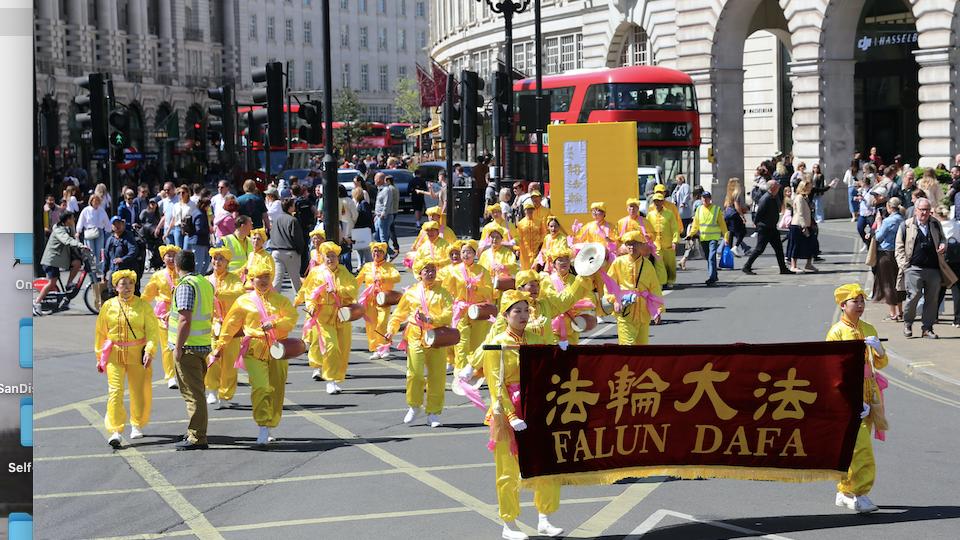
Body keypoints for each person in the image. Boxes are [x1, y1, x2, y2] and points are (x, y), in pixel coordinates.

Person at [477, 289, 563, 539]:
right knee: (507, 470)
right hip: (507, 413)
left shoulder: (536, 342)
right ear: (506, 315)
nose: (524, 315)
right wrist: (512, 416)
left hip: (536, 409)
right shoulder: (497, 345)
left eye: (526, 310)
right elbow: (496, 384)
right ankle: (509, 524)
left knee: (546, 465)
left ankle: (544, 518)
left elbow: (550, 368)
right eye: (517, 311)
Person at [212, 258, 298, 446]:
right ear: (252, 279)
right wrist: (220, 346)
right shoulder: (243, 301)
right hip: (253, 350)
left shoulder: (281, 300)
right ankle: (263, 426)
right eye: (259, 277)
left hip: (278, 350)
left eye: (267, 276)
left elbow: (292, 318)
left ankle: (271, 422)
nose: (264, 280)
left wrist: (275, 323)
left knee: (277, 388)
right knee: (260, 387)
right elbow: (230, 325)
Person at [826, 284, 887, 514]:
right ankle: (859, 493)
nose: (860, 305)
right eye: (855, 301)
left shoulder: (869, 327)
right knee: (860, 448)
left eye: (862, 301)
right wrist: (852, 400)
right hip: (849, 396)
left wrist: (879, 350)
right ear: (843, 305)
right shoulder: (836, 333)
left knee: (856, 446)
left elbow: (880, 364)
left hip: (869, 394)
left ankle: (844, 491)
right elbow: (834, 371)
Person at [94, 269, 162, 448]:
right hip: (114, 356)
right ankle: (115, 430)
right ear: (116, 287)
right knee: (115, 392)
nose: (127, 287)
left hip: (137, 355)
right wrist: (100, 356)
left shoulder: (143, 306)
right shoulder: (108, 306)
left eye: (131, 283)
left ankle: (137, 423)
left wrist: (150, 350)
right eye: (123, 284)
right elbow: (101, 333)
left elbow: (152, 332)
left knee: (138, 391)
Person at [385, 257, 455, 428]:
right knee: (414, 374)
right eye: (427, 270)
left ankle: (433, 412)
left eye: (433, 270)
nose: (431, 273)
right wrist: (391, 330)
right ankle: (414, 405)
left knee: (437, 376)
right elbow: (398, 315)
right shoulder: (411, 293)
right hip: (416, 335)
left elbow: (449, 313)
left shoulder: (443, 292)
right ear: (419, 273)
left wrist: (431, 318)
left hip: (436, 337)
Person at [296, 241, 359, 393]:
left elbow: (353, 289)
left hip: (342, 316)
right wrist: (310, 306)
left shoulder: (344, 272)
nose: (330, 259)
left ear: (338, 257)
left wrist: (338, 291)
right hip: (323, 317)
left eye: (333, 256)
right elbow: (309, 292)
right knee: (331, 346)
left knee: (342, 349)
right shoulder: (316, 272)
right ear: (322, 258)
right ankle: (330, 380)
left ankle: (334, 375)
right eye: (327, 256)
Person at [168, 251, 215, 451]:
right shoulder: (204, 282)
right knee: (197, 391)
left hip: (189, 347)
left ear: (177, 267)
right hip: (202, 344)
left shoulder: (185, 286)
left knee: (193, 394)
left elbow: (185, 319)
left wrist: (178, 347)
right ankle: (195, 431)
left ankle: (197, 436)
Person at [895, 198, 954, 339]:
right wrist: (905, 266)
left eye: (927, 210)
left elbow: (943, 239)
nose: (925, 212)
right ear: (916, 210)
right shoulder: (906, 225)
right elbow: (899, 247)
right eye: (922, 209)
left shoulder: (935, 224)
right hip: (913, 268)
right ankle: (908, 323)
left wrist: (943, 245)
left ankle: (927, 328)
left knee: (932, 300)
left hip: (933, 268)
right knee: (913, 297)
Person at [603, 231, 664, 345]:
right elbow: (609, 285)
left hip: (643, 313)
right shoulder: (618, 262)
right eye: (628, 244)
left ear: (641, 244)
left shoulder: (647, 265)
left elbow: (654, 288)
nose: (631, 247)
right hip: (625, 311)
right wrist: (615, 300)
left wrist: (657, 310)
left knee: (642, 349)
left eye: (635, 243)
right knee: (627, 347)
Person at [444, 240, 495, 371]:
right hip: (461, 310)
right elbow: (446, 290)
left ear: (475, 254)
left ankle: (475, 371)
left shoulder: (482, 270)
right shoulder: (454, 271)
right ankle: (460, 370)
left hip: (478, 310)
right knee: (461, 342)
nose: (466, 255)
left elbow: (490, 291)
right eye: (463, 252)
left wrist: (477, 288)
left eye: (469, 252)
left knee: (477, 342)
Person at [204, 247, 245, 408]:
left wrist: (219, 293)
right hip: (213, 326)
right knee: (212, 358)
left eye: (221, 259)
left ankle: (225, 393)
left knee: (230, 362)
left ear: (227, 262)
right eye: (215, 258)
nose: (217, 262)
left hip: (232, 326)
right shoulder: (207, 280)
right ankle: (212, 390)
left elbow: (239, 293)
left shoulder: (234, 279)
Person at [142, 245, 183, 389]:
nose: (171, 258)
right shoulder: (158, 276)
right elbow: (147, 295)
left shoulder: (182, 274)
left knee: (182, 344)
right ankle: (170, 376)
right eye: (168, 255)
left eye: (174, 255)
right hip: (163, 313)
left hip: (180, 311)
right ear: (163, 258)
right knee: (167, 346)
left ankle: (182, 373)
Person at [540, 245, 595, 346]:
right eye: (560, 260)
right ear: (554, 264)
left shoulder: (576, 279)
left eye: (566, 259)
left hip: (573, 325)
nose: (564, 262)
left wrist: (579, 307)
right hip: (553, 327)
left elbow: (589, 298)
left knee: (571, 358)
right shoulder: (548, 280)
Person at [356, 242, 401, 359]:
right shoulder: (367, 267)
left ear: (384, 254)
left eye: (380, 252)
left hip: (384, 300)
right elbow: (357, 281)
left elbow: (397, 277)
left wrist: (383, 278)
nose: (377, 254)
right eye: (375, 251)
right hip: (370, 300)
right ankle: (376, 348)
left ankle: (385, 346)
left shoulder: (389, 266)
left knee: (382, 323)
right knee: (371, 325)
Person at [742, 180, 791, 275]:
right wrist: (757, 224)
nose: (779, 187)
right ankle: (747, 266)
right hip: (765, 228)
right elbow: (759, 212)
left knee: (779, 248)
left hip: (772, 227)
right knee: (759, 249)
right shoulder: (766, 198)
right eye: (777, 186)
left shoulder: (773, 197)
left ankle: (783, 268)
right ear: (772, 187)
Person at [872, 198, 906, 321]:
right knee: (899, 281)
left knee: (888, 283)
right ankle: (900, 311)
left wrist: (879, 223)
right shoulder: (903, 220)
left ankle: (893, 313)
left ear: (889, 207)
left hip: (886, 254)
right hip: (899, 253)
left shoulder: (888, 221)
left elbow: (879, 237)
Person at [689, 190, 728, 286]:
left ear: (710, 199)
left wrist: (726, 237)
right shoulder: (699, 209)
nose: (705, 200)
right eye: (704, 198)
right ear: (701, 199)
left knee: (711, 257)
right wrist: (690, 234)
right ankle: (714, 275)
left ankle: (711, 278)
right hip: (703, 238)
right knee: (708, 257)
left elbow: (723, 225)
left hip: (713, 238)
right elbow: (695, 224)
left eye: (707, 198)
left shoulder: (716, 209)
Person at [269, 198, 307, 293]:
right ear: (290, 207)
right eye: (293, 205)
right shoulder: (293, 220)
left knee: (277, 278)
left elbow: (272, 233)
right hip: (290, 251)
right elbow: (297, 237)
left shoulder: (276, 219)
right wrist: (300, 250)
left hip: (276, 251)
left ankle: (273, 298)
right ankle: (299, 300)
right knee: (295, 279)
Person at [647, 193, 679, 288]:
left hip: (668, 243)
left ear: (663, 202)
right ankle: (661, 282)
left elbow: (675, 228)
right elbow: (647, 228)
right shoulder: (650, 215)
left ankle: (671, 280)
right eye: (655, 201)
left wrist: (675, 240)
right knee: (659, 263)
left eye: (659, 201)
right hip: (656, 244)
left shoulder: (669, 214)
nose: (657, 203)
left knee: (670, 264)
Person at [787, 179, 819, 273]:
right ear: (803, 188)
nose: (810, 189)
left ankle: (809, 264)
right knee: (796, 245)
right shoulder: (799, 198)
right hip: (799, 225)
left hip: (807, 224)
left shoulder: (805, 197)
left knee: (811, 244)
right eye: (808, 187)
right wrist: (804, 227)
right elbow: (800, 213)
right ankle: (793, 265)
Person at [104, 216, 141, 294]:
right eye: (114, 224)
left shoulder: (129, 237)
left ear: (123, 224)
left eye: (119, 223)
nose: (117, 226)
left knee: (131, 294)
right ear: (111, 226)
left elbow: (133, 251)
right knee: (111, 293)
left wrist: (122, 259)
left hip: (128, 271)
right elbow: (106, 257)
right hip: (114, 271)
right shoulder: (110, 239)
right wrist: (103, 273)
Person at [77, 193, 111, 273]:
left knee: (99, 251)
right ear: (91, 201)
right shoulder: (86, 210)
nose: (96, 203)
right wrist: (78, 230)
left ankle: (99, 268)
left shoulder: (101, 210)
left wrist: (109, 230)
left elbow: (106, 221)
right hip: (89, 232)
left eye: (97, 201)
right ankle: (91, 268)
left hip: (99, 231)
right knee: (90, 251)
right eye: (94, 201)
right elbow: (81, 221)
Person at [723, 178, 751, 257]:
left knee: (731, 233)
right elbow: (737, 206)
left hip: (727, 215)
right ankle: (735, 247)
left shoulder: (728, 194)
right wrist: (742, 216)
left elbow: (725, 205)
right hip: (734, 214)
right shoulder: (736, 193)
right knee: (743, 231)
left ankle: (729, 250)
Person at [184, 198, 212, 275]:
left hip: (198, 241)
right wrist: (208, 231)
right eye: (208, 206)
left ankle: (200, 275)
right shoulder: (200, 214)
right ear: (205, 205)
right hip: (199, 241)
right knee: (199, 262)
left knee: (206, 260)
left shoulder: (195, 212)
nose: (209, 208)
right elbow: (199, 229)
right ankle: (197, 276)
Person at [516, 200, 545, 270]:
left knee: (535, 268)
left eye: (531, 209)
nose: (529, 211)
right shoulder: (520, 223)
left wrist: (540, 243)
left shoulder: (539, 221)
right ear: (524, 211)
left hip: (536, 249)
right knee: (525, 269)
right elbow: (518, 237)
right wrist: (517, 249)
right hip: (524, 250)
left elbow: (543, 233)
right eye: (527, 209)